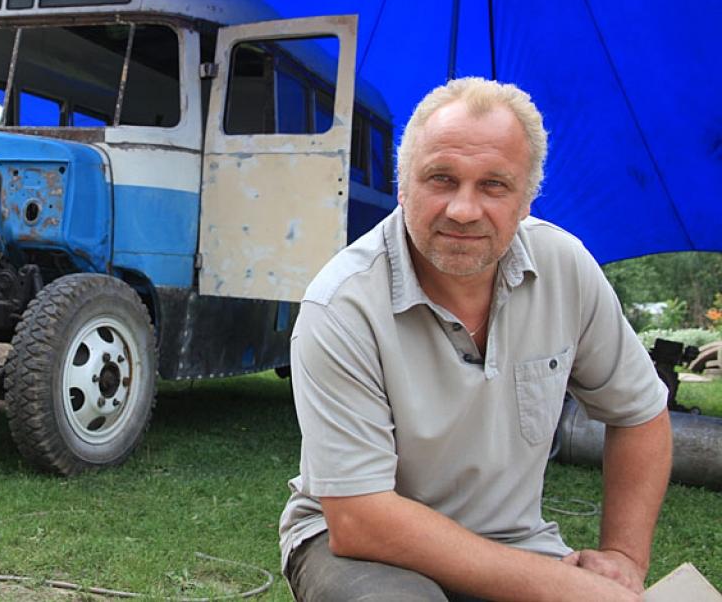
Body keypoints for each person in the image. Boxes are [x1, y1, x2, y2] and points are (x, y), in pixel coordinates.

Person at [278, 77, 672, 602]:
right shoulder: (342, 305)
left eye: (493, 185)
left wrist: (624, 557)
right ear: (403, 186)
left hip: (513, 542)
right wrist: (568, 587)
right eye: (441, 178)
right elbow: (359, 518)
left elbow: (640, 413)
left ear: (527, 198)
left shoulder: (566, 268)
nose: (463, 210)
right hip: (356, 546)